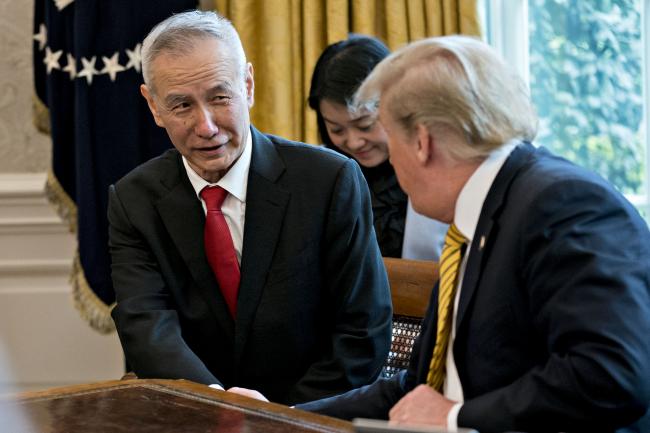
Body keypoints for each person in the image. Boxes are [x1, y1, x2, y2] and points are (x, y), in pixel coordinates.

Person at [296, 36, 650, 432]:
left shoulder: (563, 202)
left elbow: (611, 375)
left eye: (389, 138)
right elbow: (418, 390)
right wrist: (284, 419)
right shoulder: (479, 214)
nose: (389, 159)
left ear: (421, 142)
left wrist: (453, 418)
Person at [107, 10, 392, 406]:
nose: (206, 126)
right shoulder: (133, 200)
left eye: (220, 97)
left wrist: (281, 417)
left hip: (310, 415)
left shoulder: (329, 181)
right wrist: (216, 406)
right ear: (153, 106)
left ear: (248, 85)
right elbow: (146, 324)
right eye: (182, 106)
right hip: (196, 414)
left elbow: (362, 331)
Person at [308, 35, 447, 260]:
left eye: (365, 125)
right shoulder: (323, 172)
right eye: (337, 130)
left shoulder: (438, 165)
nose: (354, 142)